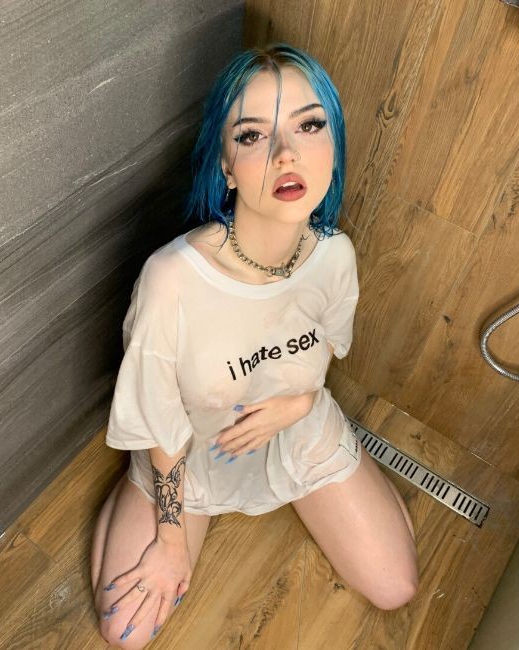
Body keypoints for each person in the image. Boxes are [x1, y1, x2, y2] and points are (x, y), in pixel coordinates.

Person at [90, 43, 419, 649]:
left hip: (296, 427)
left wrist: (301, 404)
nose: (286, 153)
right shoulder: (171, 281)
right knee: (124, 633)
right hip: (191, 455)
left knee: (396, 587)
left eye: (309, 125)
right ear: (225, 165)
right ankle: (133, 496)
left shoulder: (336, 257)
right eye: (251, 135)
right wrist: (169, 537)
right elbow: (160, 422)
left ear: (334, 143)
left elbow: (323, 351)